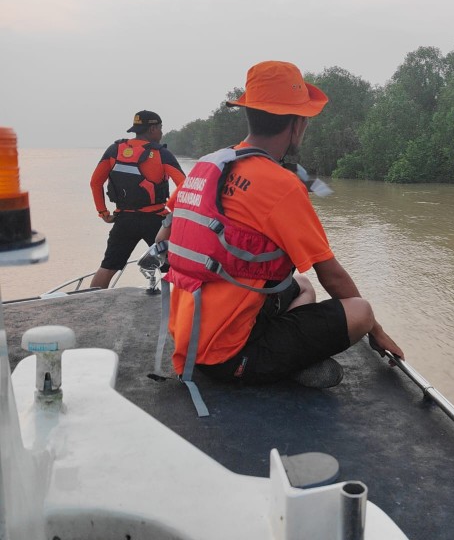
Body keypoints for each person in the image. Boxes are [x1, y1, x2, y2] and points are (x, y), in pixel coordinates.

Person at [159, 60, 404, 389]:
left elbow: (164, 235)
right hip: (229, 358)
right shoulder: (281, 185)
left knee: (301, 285)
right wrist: (377, 331)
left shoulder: (208, 166)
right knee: (361, 312)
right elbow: (331, 274)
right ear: (298, 123)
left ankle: (283, 353)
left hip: (189, 335)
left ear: (249, 113)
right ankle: (278, 364)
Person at [89, 110, 185, 288]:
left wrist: (103, 212)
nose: (161, 133)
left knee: (108, 267)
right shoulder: (161, 153)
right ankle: (181, 304)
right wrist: (175, 215)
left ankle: (90, 302)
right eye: (160, 128)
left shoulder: (114, 150)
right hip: (156, 221)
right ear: (152, 129)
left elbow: (95, 182)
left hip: (123, 220)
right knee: (176, 268)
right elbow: (184, 186)